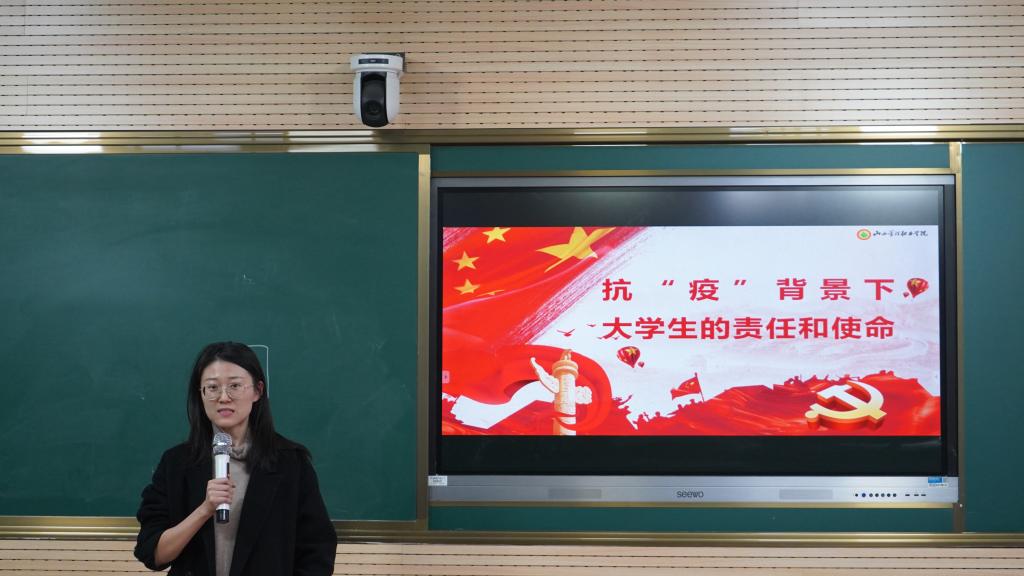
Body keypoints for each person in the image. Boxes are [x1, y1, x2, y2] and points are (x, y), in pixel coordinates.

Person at [135, 342, 336, 576]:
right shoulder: (176, 463)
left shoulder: (291, 463)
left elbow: (317, 552)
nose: (223, 397)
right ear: (200, 394)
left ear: (257, 391)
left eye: (235, 386)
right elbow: (153, 553)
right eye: (212, 387)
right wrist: (204, 510)